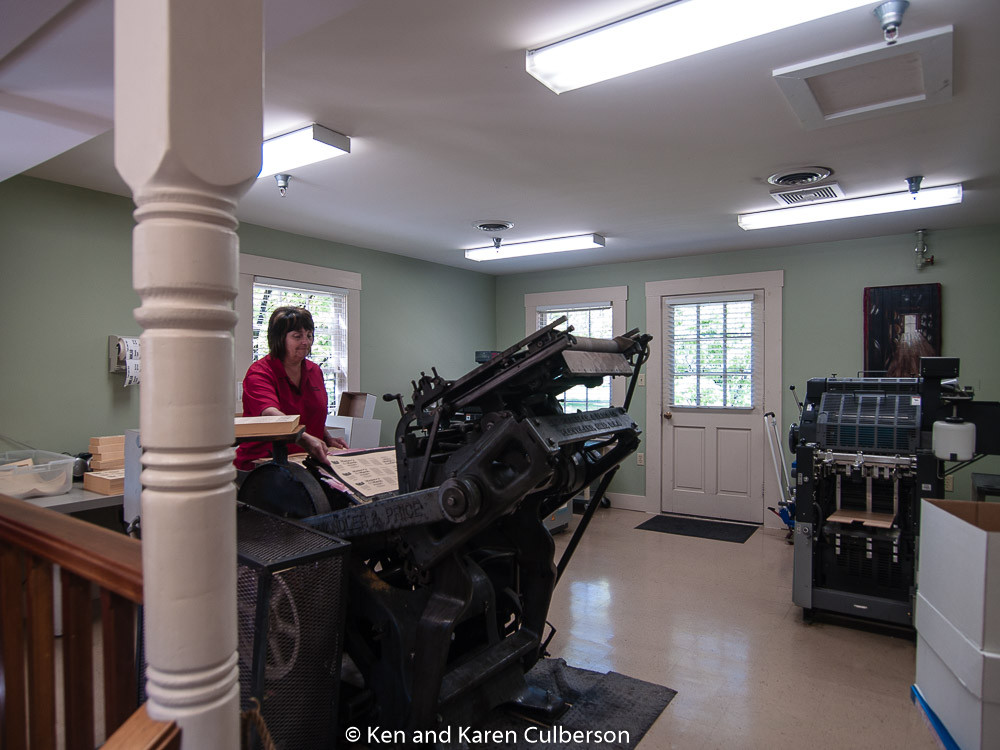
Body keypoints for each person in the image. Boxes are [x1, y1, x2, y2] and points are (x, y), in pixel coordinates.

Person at [235, 306, 347, 472]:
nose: (306, 342)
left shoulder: (314, 371)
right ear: (279, 338)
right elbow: (271, 414)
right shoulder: (259, 373)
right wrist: (304, 438)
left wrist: (327, 438)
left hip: (305, 462)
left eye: (309, 335)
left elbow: (311, 414)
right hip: (262, 465)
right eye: (297, 336)